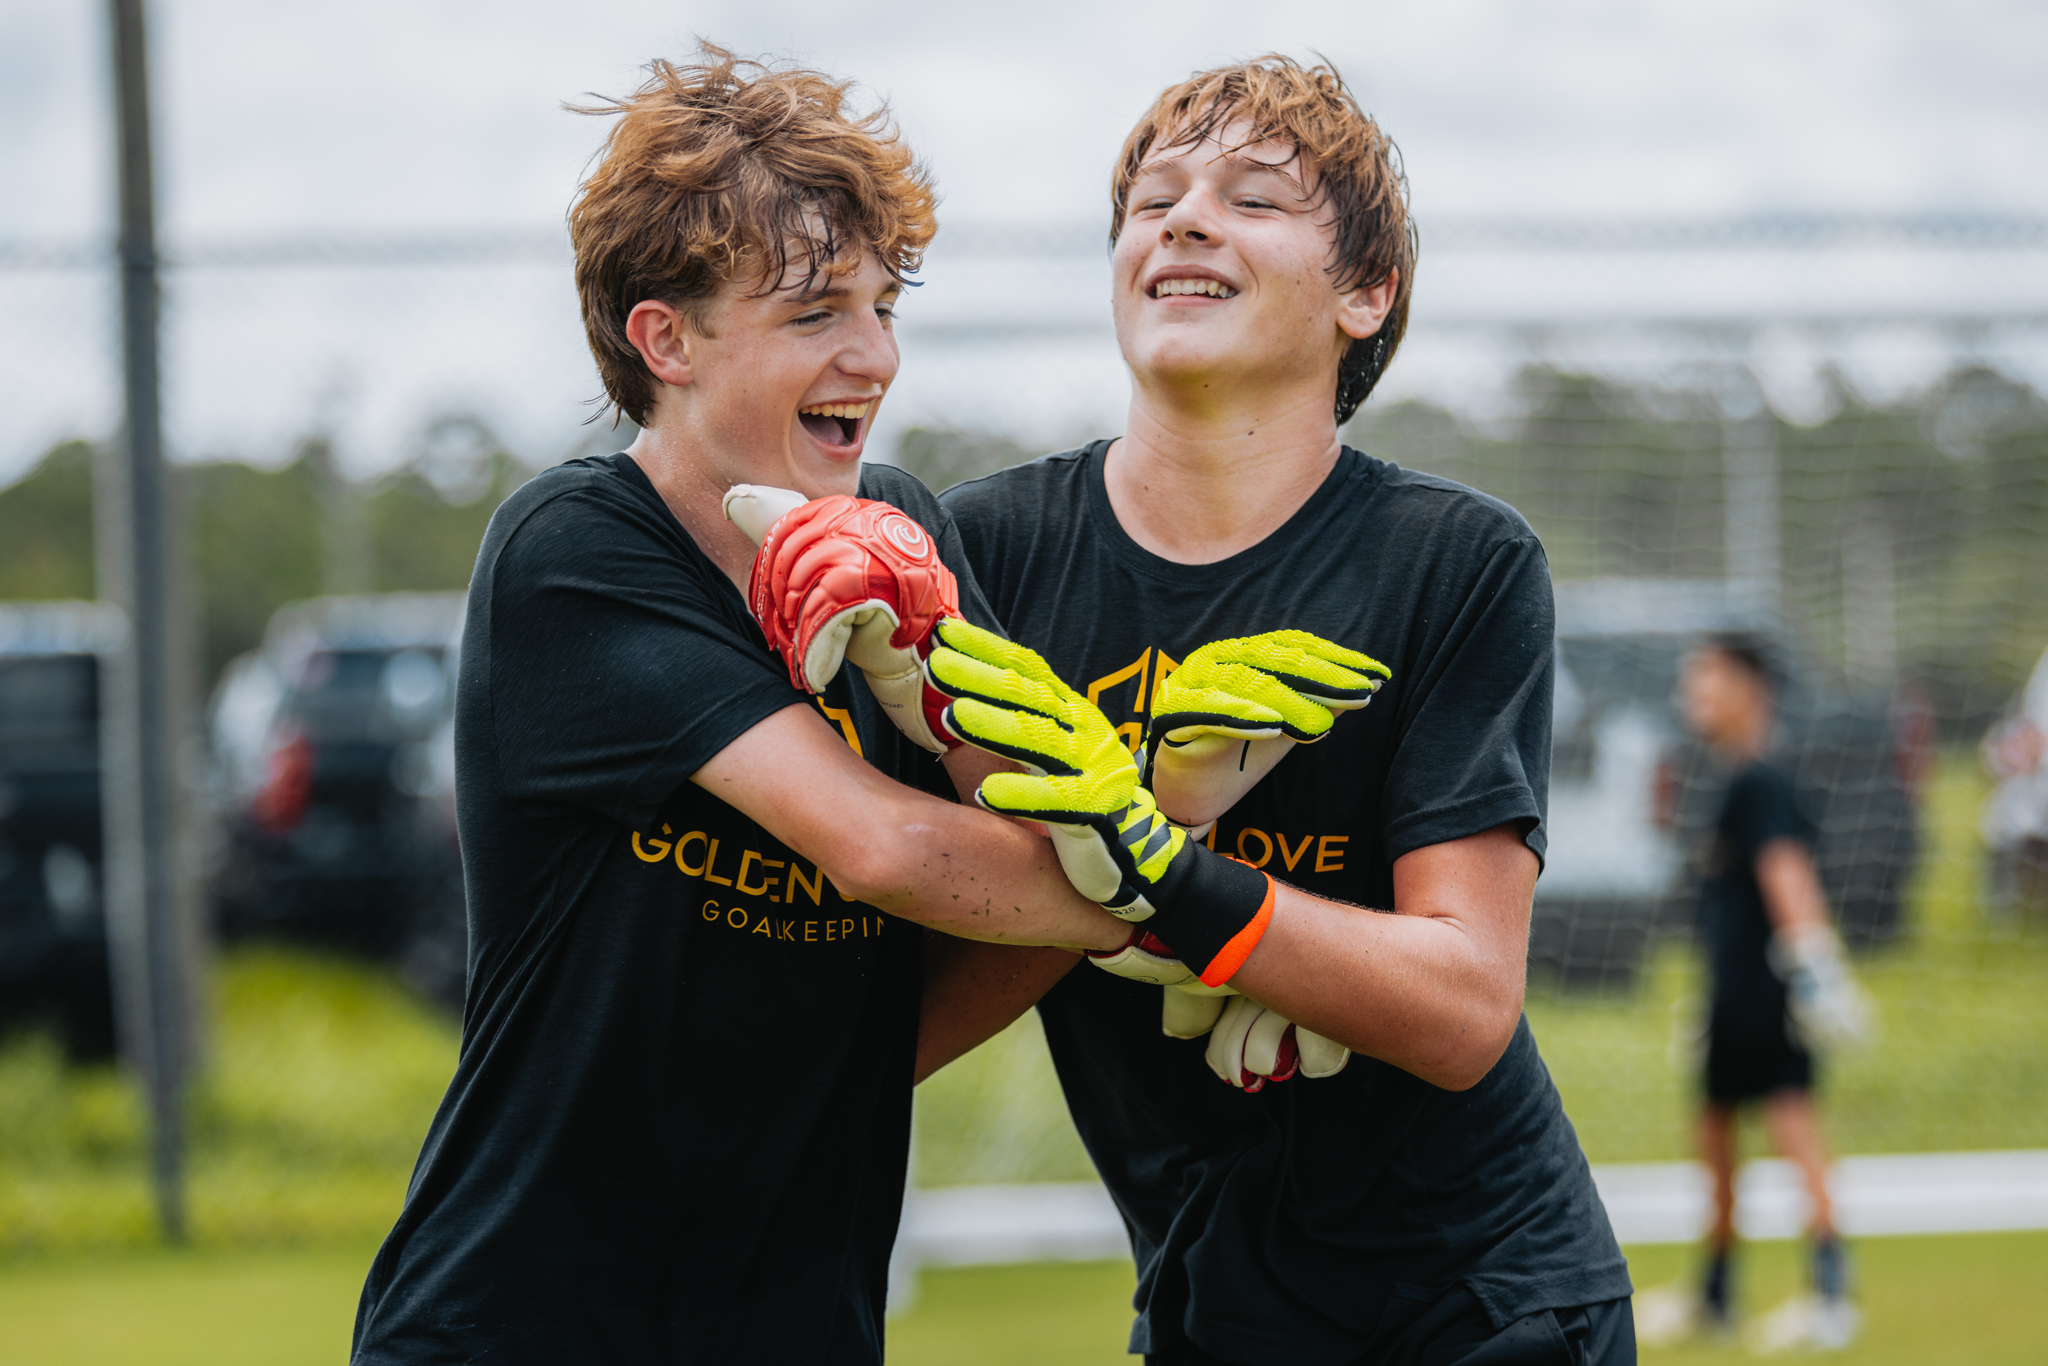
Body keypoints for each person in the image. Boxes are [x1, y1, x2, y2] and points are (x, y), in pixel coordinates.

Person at [348, 48, 1123, 1366]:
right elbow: (891, 850)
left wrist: (945, 689)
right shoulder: (576, 549)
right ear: (667, 339)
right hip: (522, 1323)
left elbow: (1029, 867)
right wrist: (1161, 894)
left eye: (886, 304)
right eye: (819, 310)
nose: (874, 355)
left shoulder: (906, 528)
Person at [928, 55, 1635, 1366]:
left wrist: (1158, 867)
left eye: (1252, 198)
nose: (1184, 219)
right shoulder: (982, 555)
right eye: (1154, 199)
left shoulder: (1456, 560)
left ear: (1366, 295)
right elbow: (914, 1008)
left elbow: (1464, 1002)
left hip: (1481, 1303)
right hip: (1207, 1304)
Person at [1679, 635, 1865, 1347]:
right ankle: (1718, 1296)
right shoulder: (1735, 778)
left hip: (1770, 991)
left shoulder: (1762, 779)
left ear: (1751, 687)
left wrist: (1816, 969)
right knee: (1716, 1133)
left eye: (1707, 680)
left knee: (1793, 1126)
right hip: (1731, 994)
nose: (1693, 695)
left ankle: (1829, 1296)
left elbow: (1787, 875)